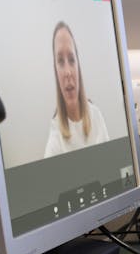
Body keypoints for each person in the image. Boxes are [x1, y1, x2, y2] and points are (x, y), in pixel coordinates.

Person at [44, 21, 110, 156]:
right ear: (55, 71)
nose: (68, 72)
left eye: (72, 60)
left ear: (78, 66)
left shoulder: (96, 115)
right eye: (61, 62)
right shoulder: (55, 140)